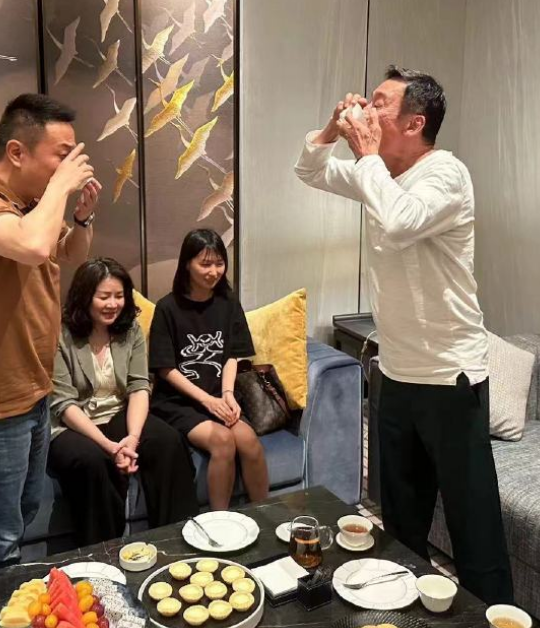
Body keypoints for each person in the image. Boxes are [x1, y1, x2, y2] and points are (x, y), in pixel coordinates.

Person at [294, 66, 513, 604]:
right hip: (395, 373)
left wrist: (367, 155)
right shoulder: (378, 171)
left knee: (473, 525)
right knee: (399, 521)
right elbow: (309, 169)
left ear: (415, 123)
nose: (367, 111)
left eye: (380, 103)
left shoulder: (446, 175)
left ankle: (492, 614)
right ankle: (401, 609)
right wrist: (332, 129)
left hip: (450, 377)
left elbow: (399, 220)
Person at [0, 93, 102, 573]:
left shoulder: (26, 204)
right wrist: (60, 189)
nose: (70, 166)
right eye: (61, 155)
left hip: (31, 390)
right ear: (16, 151)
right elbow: (31, 246)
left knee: (23, 513)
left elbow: (70, 253)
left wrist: (81, 217)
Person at [48, 258, 199, 546]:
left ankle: (176, 542)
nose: (113, 304)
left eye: (119, 296)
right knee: (93, 461)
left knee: (167, 442)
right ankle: (103, 553)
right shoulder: (60, 334)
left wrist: (133, 438)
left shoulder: (130, 330)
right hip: (72, 423)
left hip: (117, 412)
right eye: (104, 297)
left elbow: (139, 386)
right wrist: (109, 446)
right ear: (84, 296)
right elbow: (63, 405)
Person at [149, 229, 269, 511]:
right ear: (187, 264)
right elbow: (165, 369)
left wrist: (227, 394)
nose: (213, 271)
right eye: (205, 264)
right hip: (178, 402)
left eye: (219, 263)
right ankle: (219, 522)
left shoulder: (228, 303)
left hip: (218, 396)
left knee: (249, 442)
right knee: (223, 441)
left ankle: (265, 515)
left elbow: (232, 355)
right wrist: (207, 401)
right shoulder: (167, 308)